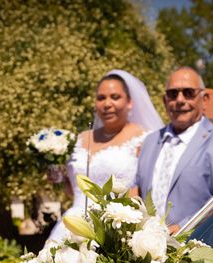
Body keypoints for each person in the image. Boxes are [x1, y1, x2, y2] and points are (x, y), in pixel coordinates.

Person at [47, 70, 163, 241]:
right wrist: (56, 175)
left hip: (114, 230)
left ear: (130, 102)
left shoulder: (144, 139)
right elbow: (73, 191)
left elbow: (147, 190)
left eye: (115, 97)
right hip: (72, 226)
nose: (107, 104)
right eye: (101, 98)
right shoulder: (79, 139)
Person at [134, 67, 213, 233]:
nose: (180, 100)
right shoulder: (150, 141)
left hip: (195, 249)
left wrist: (182, 228)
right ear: (165, 100)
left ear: (205, 100)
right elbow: (137, 191)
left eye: (188, 93)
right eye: (173, 94)